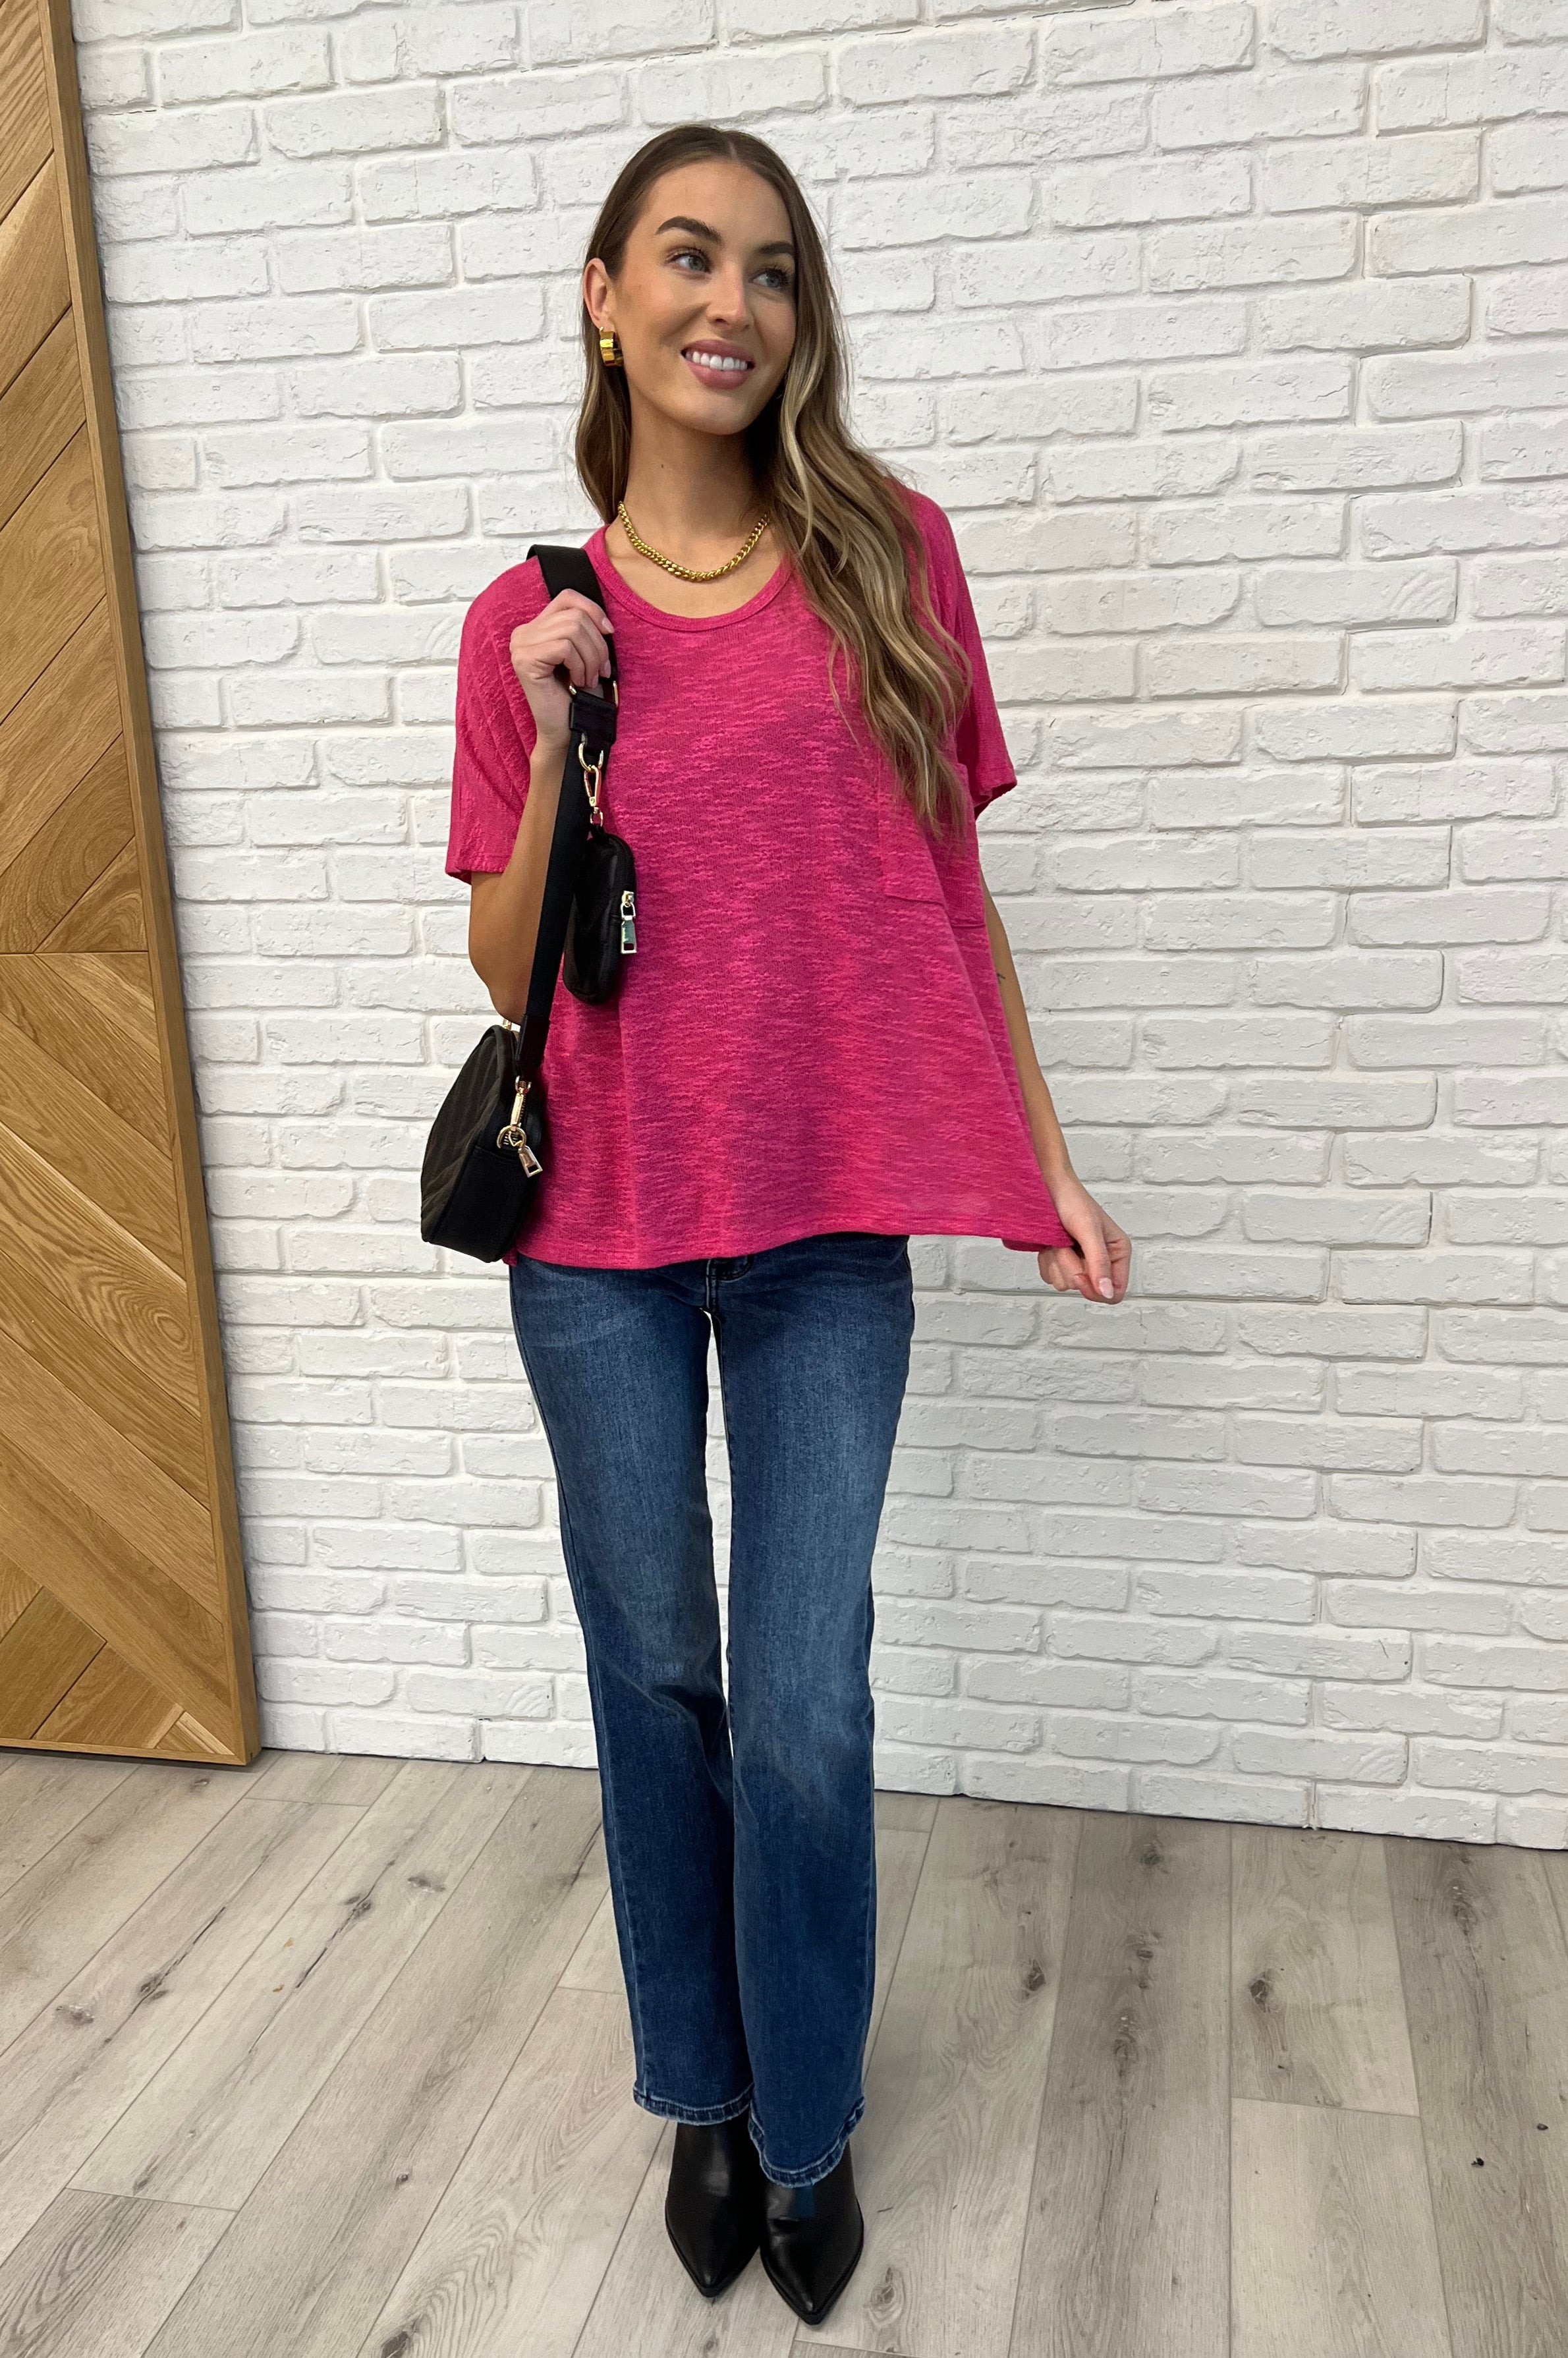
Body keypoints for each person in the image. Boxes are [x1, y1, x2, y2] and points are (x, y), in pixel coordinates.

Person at [445, 121, 1132, 2328]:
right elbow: (506, 968)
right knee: (656, 1669)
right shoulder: (524, 617)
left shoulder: (890, 559)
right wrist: (555, 726)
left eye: (768, 270)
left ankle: (808, 2117)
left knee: (804, 1692)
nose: (728, 303)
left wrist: (1040, 1158)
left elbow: (951, 888)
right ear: (603, 298)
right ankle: (704, 2092)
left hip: (830, 1221)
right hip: (598, 1234)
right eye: (684, 257)